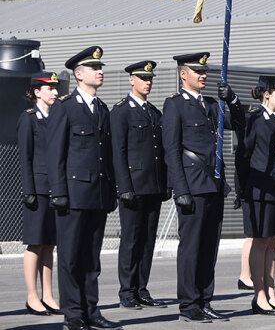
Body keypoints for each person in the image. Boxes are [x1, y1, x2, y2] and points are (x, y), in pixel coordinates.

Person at [163, 51, 245, 322]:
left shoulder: (212, 104)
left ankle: (205, 299)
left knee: (209, 247)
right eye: (197, 71)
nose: (203, 75)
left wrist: (231, 99)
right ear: (183, 74)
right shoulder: (174, 105)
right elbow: (172, 151)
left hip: (214, 183)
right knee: (191, 248)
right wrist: (180, 189)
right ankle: (188, 304)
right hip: (192, 185)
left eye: (205, 71)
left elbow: (240, 124)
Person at [46, 46, 120, 330]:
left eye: (100, 68)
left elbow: (107, 155)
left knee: (91, 257)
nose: (100, 72)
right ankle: (73, 313)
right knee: (70, 256)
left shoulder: (102, 108)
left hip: (97, 193)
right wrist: (59, 192)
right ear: (78, 74)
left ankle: (91, 310)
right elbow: (55, 154)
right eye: (94, 68)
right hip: (73, 194)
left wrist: (111, 189)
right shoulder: (65, 107)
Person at [110, 60, 169, 310]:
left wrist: (165, 183)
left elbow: (162, 152)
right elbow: (118, 152)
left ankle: (142, 288)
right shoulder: (121, 111)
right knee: (131, 240)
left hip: (153, 186)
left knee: (148, 240)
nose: (148, 82)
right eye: (143, 78)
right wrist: (124, 187)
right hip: (133, 186)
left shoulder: (154, 113)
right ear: (131, 80)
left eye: (150, 79)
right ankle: (127, 290)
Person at [236, 76, 275, 315]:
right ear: (266, 93)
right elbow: (243, 156)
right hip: (260, 189)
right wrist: (243, 190)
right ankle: (259, 295)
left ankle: (271, 292)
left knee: (274, 242)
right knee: (260, 241)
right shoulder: (254, 119)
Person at [18, 71, 62, 317]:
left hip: (54, 189)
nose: (55, 92)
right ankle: (32, 296)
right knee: (35, 244)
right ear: (37, 92)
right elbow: (25, 157)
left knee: (49, 244)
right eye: (50, 89)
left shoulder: (54, 117)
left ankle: (47, 294)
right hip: (37, 189)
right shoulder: (29, 118)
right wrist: (28, 190)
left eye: (56, 88)